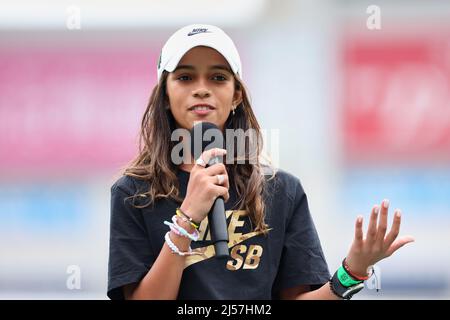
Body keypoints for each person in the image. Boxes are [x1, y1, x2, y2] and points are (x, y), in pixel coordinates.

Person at [107, 24, 415, 300]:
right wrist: (187, 218)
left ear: (237, 94)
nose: (201, 88)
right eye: (185, 77)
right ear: (164, 94)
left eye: (218, 77)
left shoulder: (282, 190)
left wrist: (353, 272)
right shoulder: (133, 193)